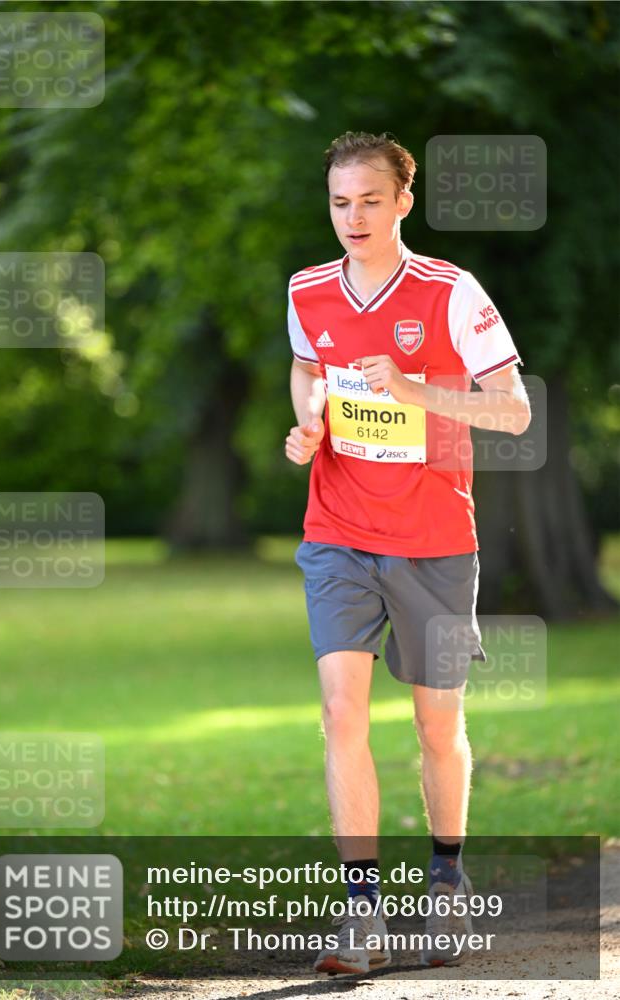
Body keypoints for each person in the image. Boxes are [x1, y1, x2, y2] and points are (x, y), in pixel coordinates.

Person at [285, 131, 530, 976]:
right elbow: (303, 364)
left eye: (368, 200)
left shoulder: (451, 293)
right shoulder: (306, 289)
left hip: (431, 541)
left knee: (436, 724)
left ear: (402, 202)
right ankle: (360, 915)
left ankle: (447, 882)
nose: (351, 216)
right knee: (339, 713)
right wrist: (311, 417)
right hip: (337, 531)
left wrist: (413, 389)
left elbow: (513, 411)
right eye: (338, 201)